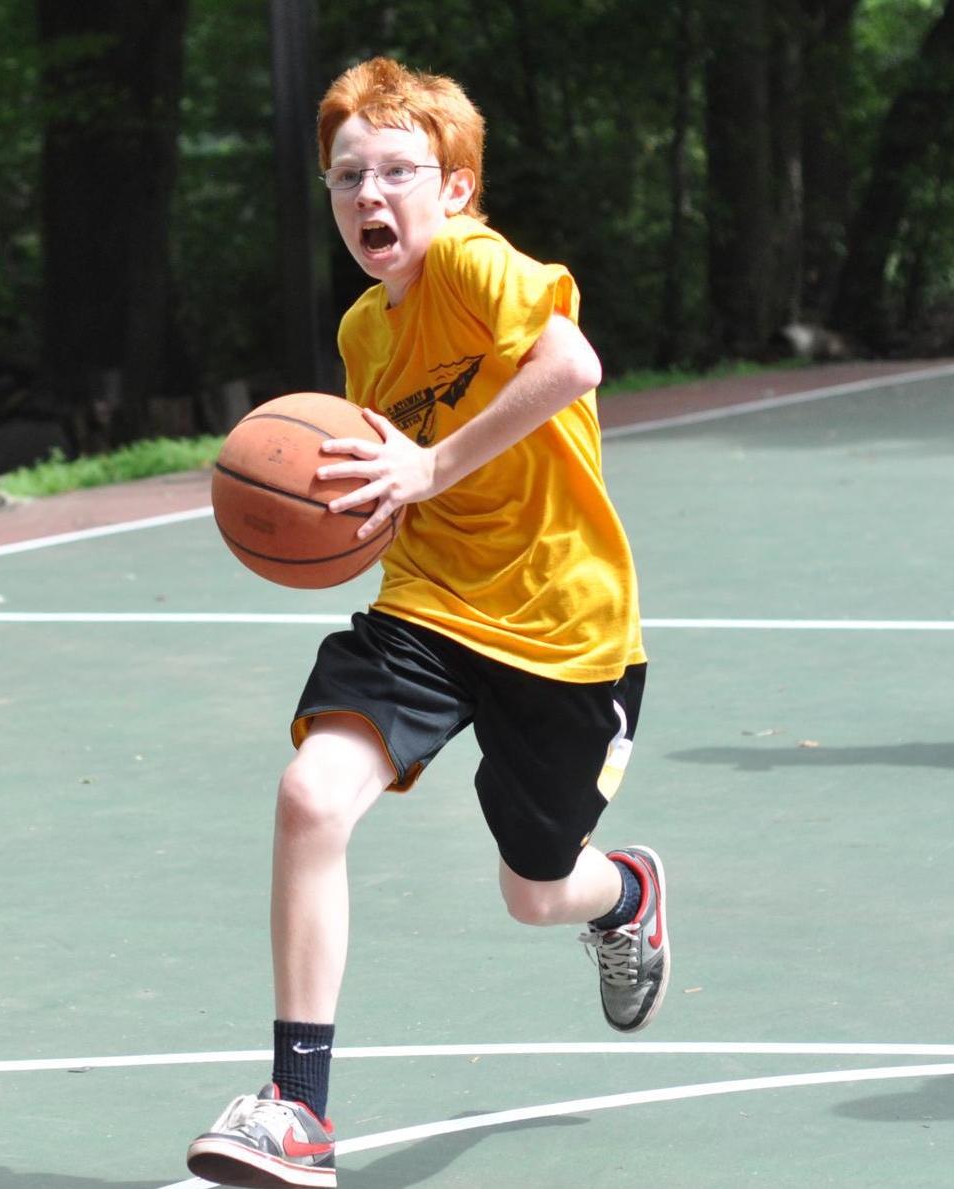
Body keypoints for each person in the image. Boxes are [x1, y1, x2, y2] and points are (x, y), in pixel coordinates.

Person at [183, 57, 668, 1188]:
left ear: (452, 188)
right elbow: (377, 483)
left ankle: (628, 894)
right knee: (309, 794)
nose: (369, 197)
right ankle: (296, 1111)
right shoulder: (363, 333)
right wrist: (352, 510)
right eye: (346, 175)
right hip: (428, 609)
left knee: (536, 888)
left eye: (397, 170)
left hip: (563, 626)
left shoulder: (470, 262)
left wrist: (429, 464)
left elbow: (573, 362)